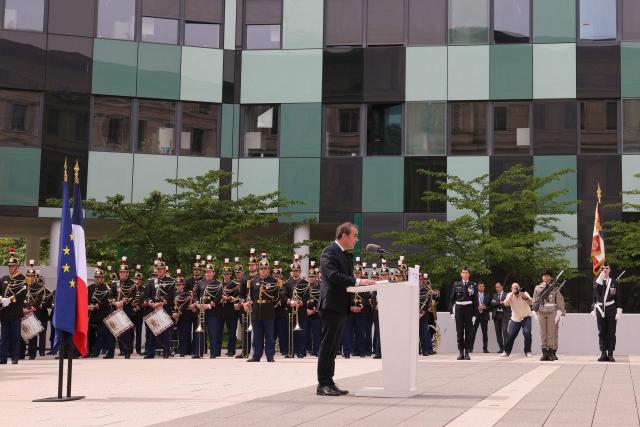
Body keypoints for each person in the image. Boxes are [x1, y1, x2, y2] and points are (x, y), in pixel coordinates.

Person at [317, 222, 375, 397]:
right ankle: (322, 384)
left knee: (334, 346)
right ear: (344, 235)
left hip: (341, 306)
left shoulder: (345, 254)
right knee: (327, 346)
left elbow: (346, 278)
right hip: (331, 306)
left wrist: (358, 283)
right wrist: (359, 281)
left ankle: (330, 381)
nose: (356, 240)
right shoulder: (329, 252)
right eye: (354, 236)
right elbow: (333, 276)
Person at [244, 254, 278, 362]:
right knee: (257, 335)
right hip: (256, 310)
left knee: (269, 335)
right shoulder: (253, 281)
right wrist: (248, 302)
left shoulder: (273, 281)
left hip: (268, 310)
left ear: (268, 269)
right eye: (261, 268)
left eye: (265, 268)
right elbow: (250, 295)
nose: (263, 270)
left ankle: (270, 356)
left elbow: (277, 297)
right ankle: (256, 356)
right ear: (259, 269)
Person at [532, 269, 565, 361]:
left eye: (547, 275)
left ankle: (550, 352)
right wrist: (535, 312)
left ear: (550, 277)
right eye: (544, 275)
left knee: (551, 333)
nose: (545, 277)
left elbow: (559, 302)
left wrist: (560, 314)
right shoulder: (537, 288)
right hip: (541, 312)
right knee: (543, 333)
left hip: (551, 312)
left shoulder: (555, 288)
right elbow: (534, 302)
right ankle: (544, 352)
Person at [0, 250, 27, 364]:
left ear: (18, 266)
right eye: (9, 266)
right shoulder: (4, 278)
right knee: (4, 336)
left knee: (15, 336)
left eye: (13, 266)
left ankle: (15, 357)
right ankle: (3, 357)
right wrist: (1, 298)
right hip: (4, 312)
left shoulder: (23, 279)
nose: (11, 268)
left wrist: (10, 299)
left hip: (15, 311)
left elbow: (22, 294)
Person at [193, 259, 223, 359]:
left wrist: (209, 305)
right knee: (199, 332)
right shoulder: (200, 282)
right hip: (200, 310)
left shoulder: (218, 283)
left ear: (213, 273)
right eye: (206, 272)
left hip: (213, 311)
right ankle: (199, 352)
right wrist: (197, 304)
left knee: (212, 332)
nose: (208, 273)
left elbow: (218, 297)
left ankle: (213, 353)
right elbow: (195, 295)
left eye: (210, 272)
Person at [592, 263, 621, 362]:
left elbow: (618, 297)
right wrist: (593, 308)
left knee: (611, 332)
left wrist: (619, 309)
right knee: (601, 332)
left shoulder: (614, 282)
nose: (605, 270)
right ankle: (603, 353)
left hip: (611, 308)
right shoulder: (597, 281)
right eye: (603, 268)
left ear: (610, 270)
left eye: (607, 268)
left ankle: (611, 354)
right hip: (600, 309)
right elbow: (596, 294)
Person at [449, 266, 477, 360]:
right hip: (459, 308)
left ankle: (467, 353)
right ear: (461, 274)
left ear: (469, 274)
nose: (465, 274)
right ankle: (460, 352)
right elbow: (452, 299)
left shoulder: (472, 285)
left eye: (466, 272)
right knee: (459, 332)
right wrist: (451, 312)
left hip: (469, 309)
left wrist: (475, 314)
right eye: (463, 272)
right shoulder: (456, 284)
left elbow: (475, 300)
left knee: (468, 332)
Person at [286, 255, 309, 358]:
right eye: (294, 270)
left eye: (297, 271)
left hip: (301, 310)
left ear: (300, 272)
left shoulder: (305, 283)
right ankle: (291, 351)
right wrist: (290, 301)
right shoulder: (287, 283)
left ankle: (301, 351)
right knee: (290, 332)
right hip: (291, 310)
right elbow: (284, 295)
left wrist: (300, 302)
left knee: (301, 333)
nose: (295, 272)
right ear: (291, 271)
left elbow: (308, 297)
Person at [502, 282, 533, 358]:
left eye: (517, 288)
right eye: (514, 288)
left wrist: (523, 296)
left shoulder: (524, 293)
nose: (516, 289)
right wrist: (512, 294)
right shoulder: (510, 295)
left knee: (527, 333)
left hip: (526, 316)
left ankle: (528, 351)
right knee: (510, 335)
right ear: (511, 289)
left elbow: (531, 302)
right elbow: (505, 304)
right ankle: (506, 351)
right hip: (515, 318)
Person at [220, 259, 241, 357]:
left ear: (230, 275)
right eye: (225, 274)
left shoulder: (234, 284)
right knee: (219, 331)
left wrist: (228, 298)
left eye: (228, 274)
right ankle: (217, 350)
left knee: (231, 332)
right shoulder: (219, 284)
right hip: (221, 310)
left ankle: (231, 350)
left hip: (231, 310)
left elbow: (237, 297)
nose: (226, 275)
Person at [305, 262, 321, 356]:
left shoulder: (320, 286)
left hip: (316, 312)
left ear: (316, 277)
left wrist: (315, 309)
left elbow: (322, 299)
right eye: (310, 276)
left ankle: (317, 350)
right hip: (306, 312)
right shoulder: (304, 287)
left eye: (313, 276)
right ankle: (307, 349)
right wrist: (306, 310)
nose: (311, 278)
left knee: (316, 333)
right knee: (306, 332)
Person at [490, 282, 510, 354]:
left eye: (498, 287)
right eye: (496, 287)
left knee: (504, 331)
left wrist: (497, 302)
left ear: (502, 287)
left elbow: (507, 304)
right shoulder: (494, 295)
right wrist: (500, 302)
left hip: (504, 315)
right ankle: (501, 348)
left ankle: (506, 348)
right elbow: (492, 304)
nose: (497, 288)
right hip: (496, 315)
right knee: (498, 332)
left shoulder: (507, 294)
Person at [470, 281, 490, 353]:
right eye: (480, 286)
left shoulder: (488, 295)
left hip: (484, 316)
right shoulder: (473, 295)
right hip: (476, 316)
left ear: (484, 287)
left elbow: (491, 306)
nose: (481, 287)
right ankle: (470, 348)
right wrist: (476, 308)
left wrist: (485, 308)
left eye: (482, 286)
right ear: (477, 287)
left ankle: (485, 349)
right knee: (473, 332)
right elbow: (471, 305)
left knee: (485, 333)